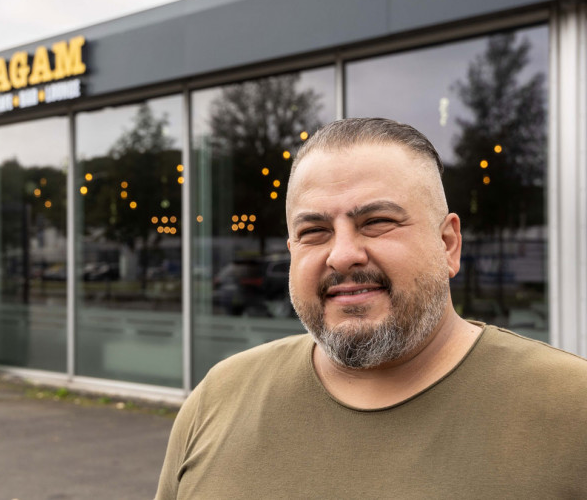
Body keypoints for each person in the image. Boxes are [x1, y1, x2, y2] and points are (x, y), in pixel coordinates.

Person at [155, 118, 587, 499]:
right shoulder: (219, 397)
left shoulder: (572, 409)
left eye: (377, 222)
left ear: (448, 244)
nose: (342, 255)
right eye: (314, 230)